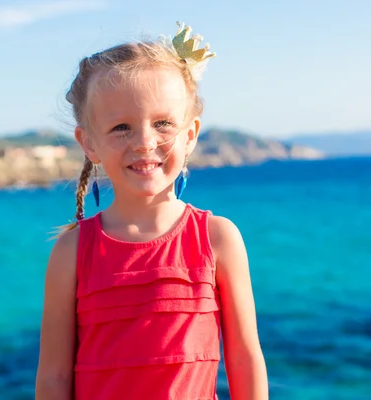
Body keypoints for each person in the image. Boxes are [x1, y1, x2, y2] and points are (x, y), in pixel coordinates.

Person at [35, 22, 268, 400]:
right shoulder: (72, 252)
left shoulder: (218, 238)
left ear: (190, 134)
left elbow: (244, 359)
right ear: (89, 143)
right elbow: (53, 377)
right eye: (122, 127)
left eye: (162, 123)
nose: (144, 142)